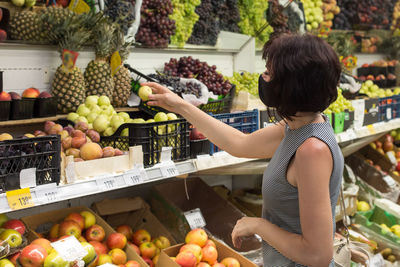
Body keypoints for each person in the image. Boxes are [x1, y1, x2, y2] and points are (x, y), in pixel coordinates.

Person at [142, 33, 343, 267]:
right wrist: (180, 105)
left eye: (269, 72)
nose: (263, 78)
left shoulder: (312, 149)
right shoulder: (295, 126)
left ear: (291, 85)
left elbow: (317, 255)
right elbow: (239, 144)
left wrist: (258, 226)